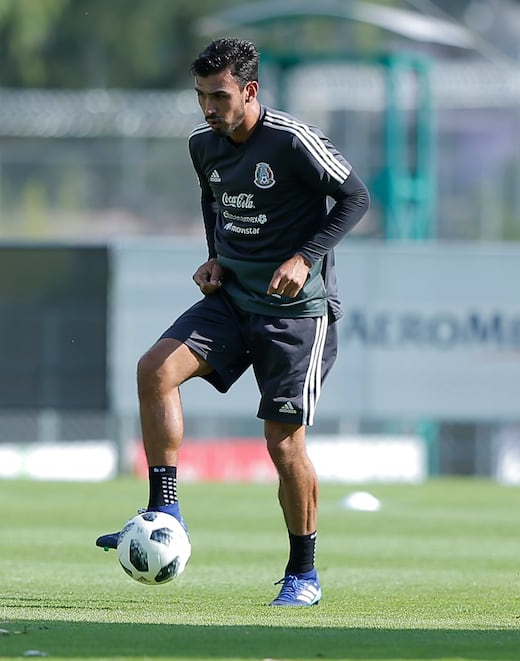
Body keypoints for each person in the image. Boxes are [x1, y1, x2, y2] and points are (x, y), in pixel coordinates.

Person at [97, 38, 369, 607]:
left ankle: (303, 574)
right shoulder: (203, 145)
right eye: (200, 95)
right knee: (155, 370)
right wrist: (214, 255)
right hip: (232, 298)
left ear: (249, 90)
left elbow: (355, 198)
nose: (208, 107)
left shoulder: (292, 140)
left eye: (219, 96)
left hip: (296, 313)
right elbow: (212, 201)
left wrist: (304, 257)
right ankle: (165, 511)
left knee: (283, 445)